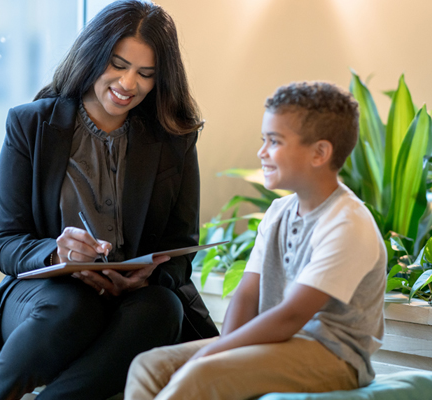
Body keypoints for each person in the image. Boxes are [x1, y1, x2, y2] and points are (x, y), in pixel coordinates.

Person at [0, 2, 219, 399]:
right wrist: (57, 255)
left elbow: (180, 249)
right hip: (49, 298)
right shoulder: (31, 125)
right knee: (75, 305)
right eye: (118, 65)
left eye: (145, 74)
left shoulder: (174, 139)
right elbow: (7, 243)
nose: (129, 84)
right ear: (93, 55)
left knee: (164, 308)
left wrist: (148, 275)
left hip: (136, 299)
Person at [124, 81, 387, 400]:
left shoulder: (348, 224)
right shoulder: (278, 212)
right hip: (277, 345)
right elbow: (247, 295)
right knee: (150, 365)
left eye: (274, 142)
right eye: (264, 140)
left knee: (203, 375)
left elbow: (291, 316)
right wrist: (222, 349)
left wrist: (213, 357)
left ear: (320, 152)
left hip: (333, 358)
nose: (262, 152)